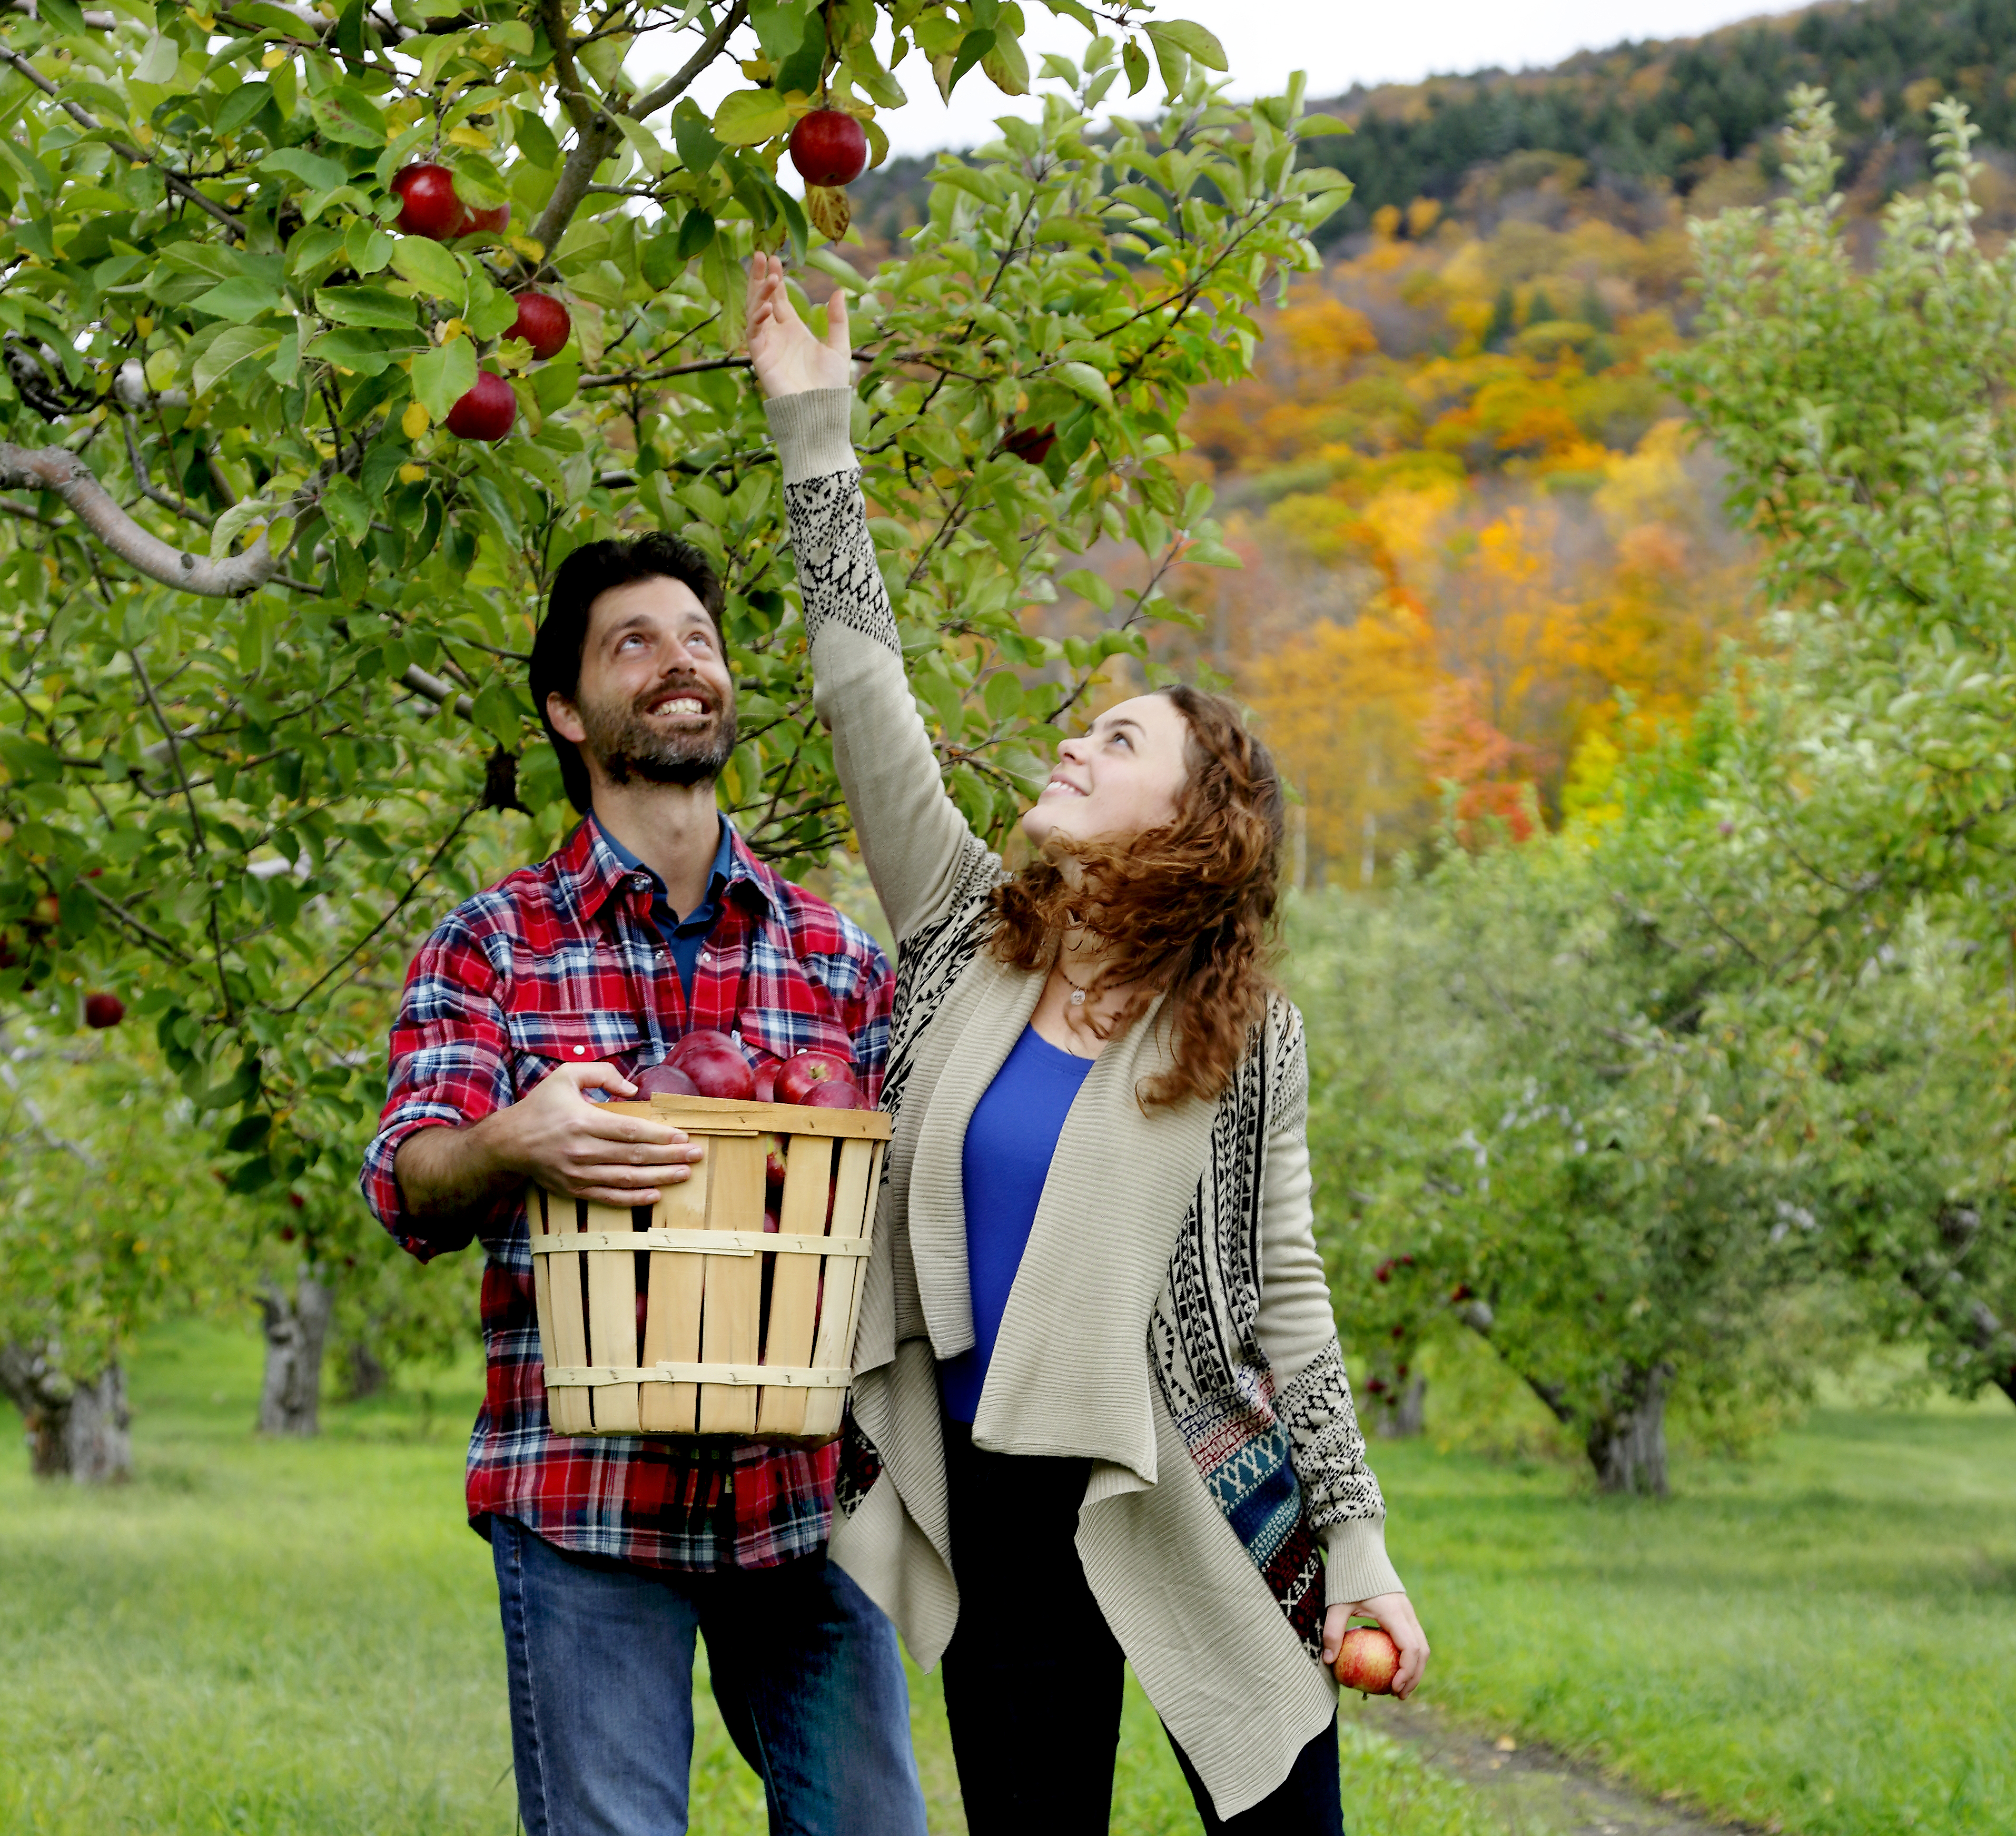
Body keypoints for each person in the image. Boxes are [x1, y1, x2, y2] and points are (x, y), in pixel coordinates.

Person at [745, 256, 1431, 1833]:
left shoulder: (1241, 1034)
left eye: (1117, 739)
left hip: (1202, 1475)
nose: (1073, 734)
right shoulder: (960, 936)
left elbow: (1286, 1294)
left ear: (1191, 825)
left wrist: (1361, 1539)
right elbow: (864, 693)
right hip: (997, 1488)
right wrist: (816, 436)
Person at [358, 530, 928, 1836]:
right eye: (636, 642)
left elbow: (895, 1218)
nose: (682, 663)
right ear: (566, 710)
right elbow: (406, 1184)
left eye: (702, 640)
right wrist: (513, 1140)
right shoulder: (490, 946)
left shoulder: (837, 956)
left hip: (803, 1501)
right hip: (586, 1498)